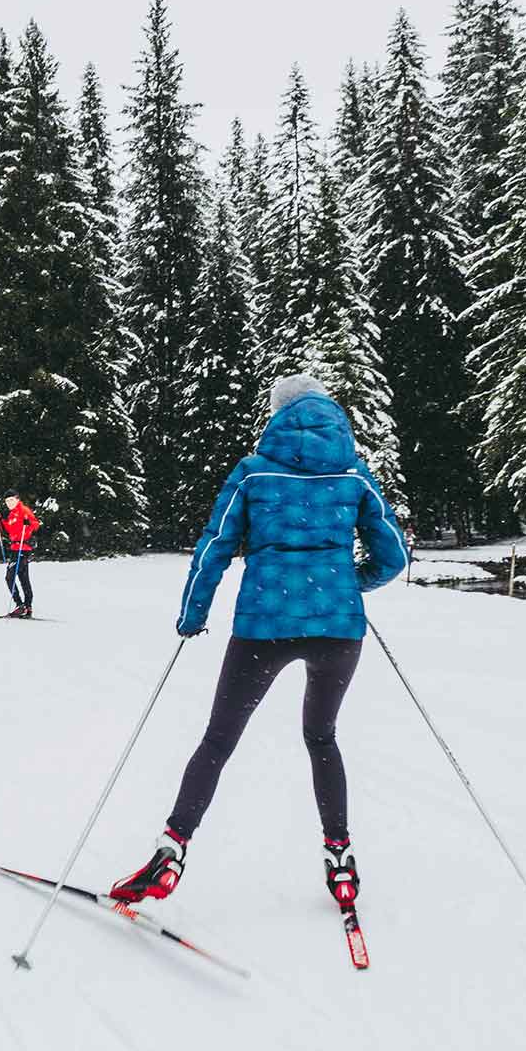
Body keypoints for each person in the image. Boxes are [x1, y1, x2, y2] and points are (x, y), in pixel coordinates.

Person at [110, 374, 408, 912]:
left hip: (262, 630)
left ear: (276, 415)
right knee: (322, 738)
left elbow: (215, 547)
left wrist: (191, 614)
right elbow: (393, 557)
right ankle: (339, 857)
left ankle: (173, 848)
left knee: (218, 740)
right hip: (337, 632)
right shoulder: (353, 474)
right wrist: (348, 583)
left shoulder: (254, 472)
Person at [0, 491, 40, 618]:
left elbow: (35, 524)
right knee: (23, 578)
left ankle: (20, 605)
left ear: (17, 499)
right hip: (15, 547)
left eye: (11, 500)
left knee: (10, 577)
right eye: (7, 501)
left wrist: (29, 524)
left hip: (23, 548)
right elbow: (9, 529)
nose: (9, 503)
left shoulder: (23, 510)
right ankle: (27, 607)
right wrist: (1, 520)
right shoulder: (12, 514)